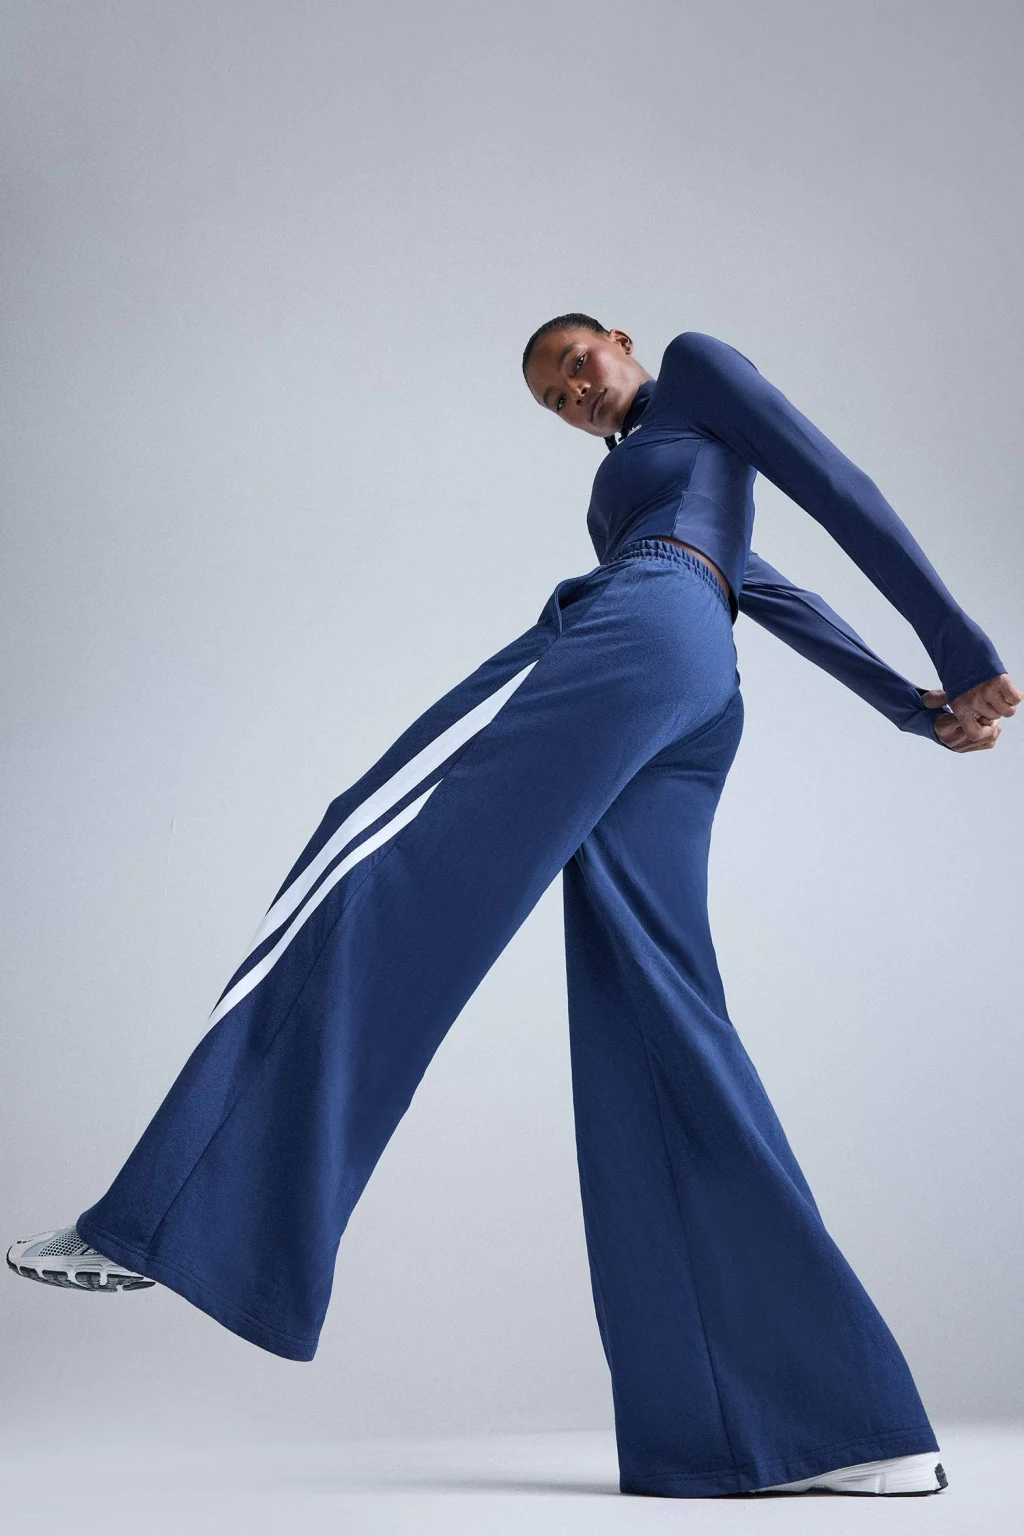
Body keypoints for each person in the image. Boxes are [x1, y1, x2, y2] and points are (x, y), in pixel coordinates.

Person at [8, 317, 1018, 1499]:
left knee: (366, 838)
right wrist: (906, 705)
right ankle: (821, 1427)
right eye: (551, 398)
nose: (572, 393)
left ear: (622, 342)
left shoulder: (697, 370)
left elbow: (833, 483)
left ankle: (172, 1216)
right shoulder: (642, 480)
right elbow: (757, 582)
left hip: (644, 627)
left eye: (577, 364)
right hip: (698, 668)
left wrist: (959, 650)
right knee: (656, 1019)